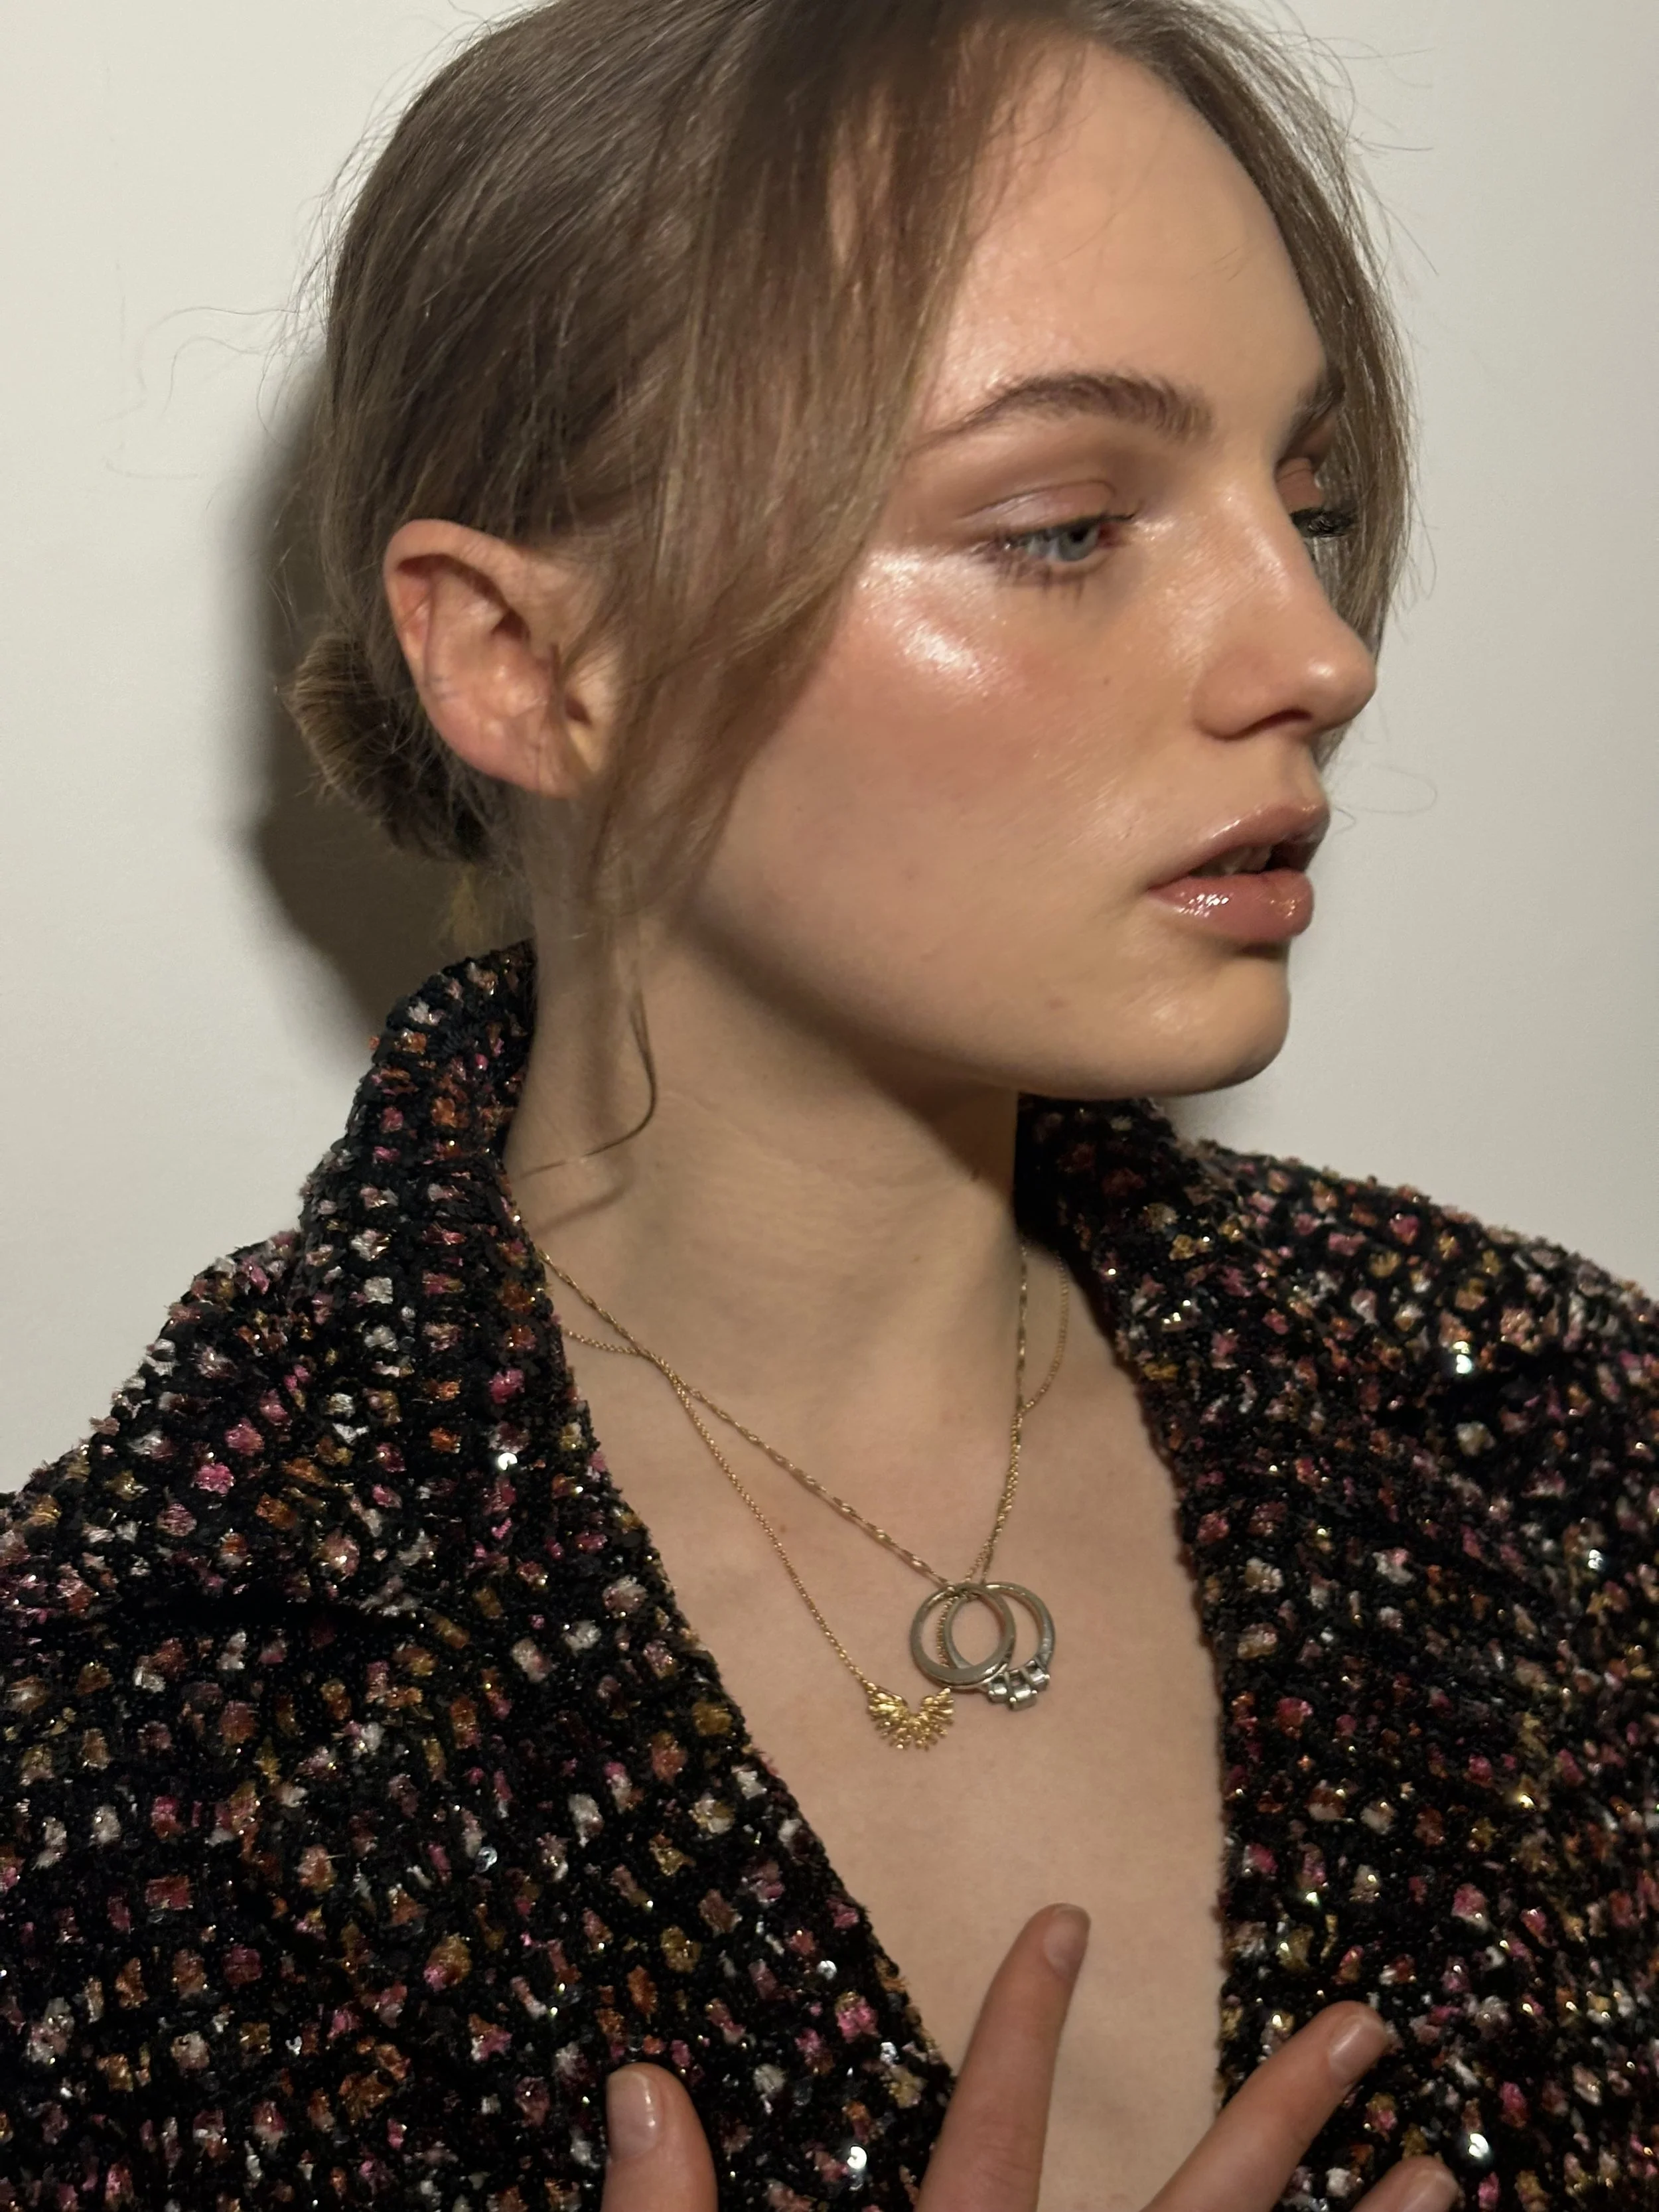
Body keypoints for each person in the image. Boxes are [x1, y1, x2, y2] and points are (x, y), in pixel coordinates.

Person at [0, 0, 1652, 2205]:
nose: (1316, 649)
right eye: (1066, 525)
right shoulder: (137, 1727)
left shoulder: (1561, 1445)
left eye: (1311, 499)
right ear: (521, 659)